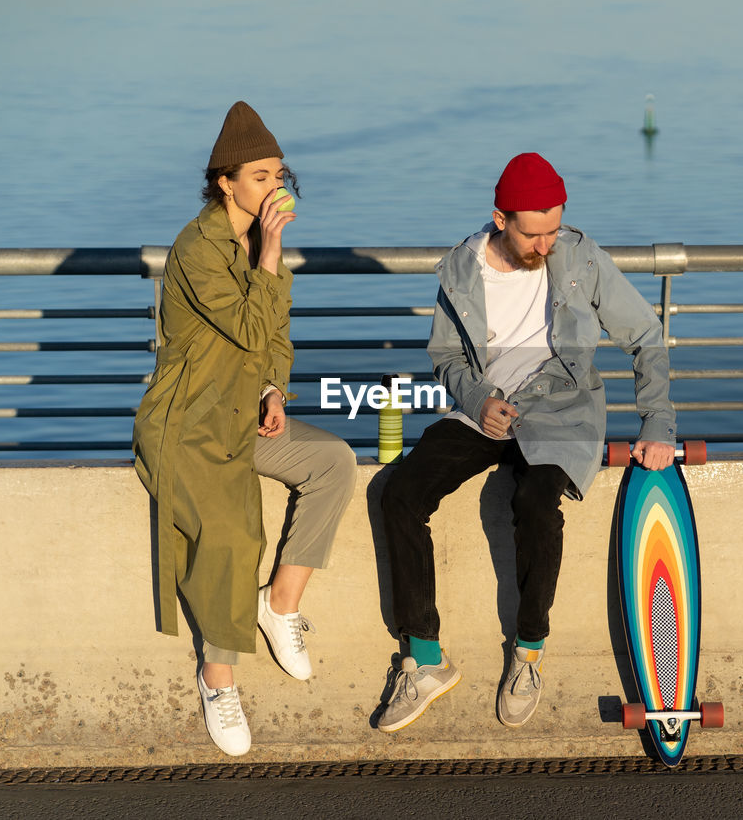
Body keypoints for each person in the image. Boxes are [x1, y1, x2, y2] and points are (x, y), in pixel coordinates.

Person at [377, 152, 677, 732]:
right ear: (500, 219)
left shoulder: (581, 259)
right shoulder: (460, 272)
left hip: (562, 412)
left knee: (534, 503)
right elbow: (443, 358)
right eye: (534, 233)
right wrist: (477, 399)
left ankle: (529, 651)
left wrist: (657, 426)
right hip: (486, 412)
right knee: (399, 493)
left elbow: (646, 336)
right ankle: (425, 659)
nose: (546, 244)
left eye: (554, 229)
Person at [133, 101, 356, 757]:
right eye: (259, 176)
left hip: (243, 410)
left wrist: (272, 389)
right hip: (189, 420)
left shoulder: (255, 247)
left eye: (277, 174)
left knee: (334, 461)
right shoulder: (198, 248)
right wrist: (273, 249)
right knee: (232, 526)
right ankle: (217, 675)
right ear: (225, 182)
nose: (273, 187)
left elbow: (273, 336)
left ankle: (279, 603)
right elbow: (253, 323)